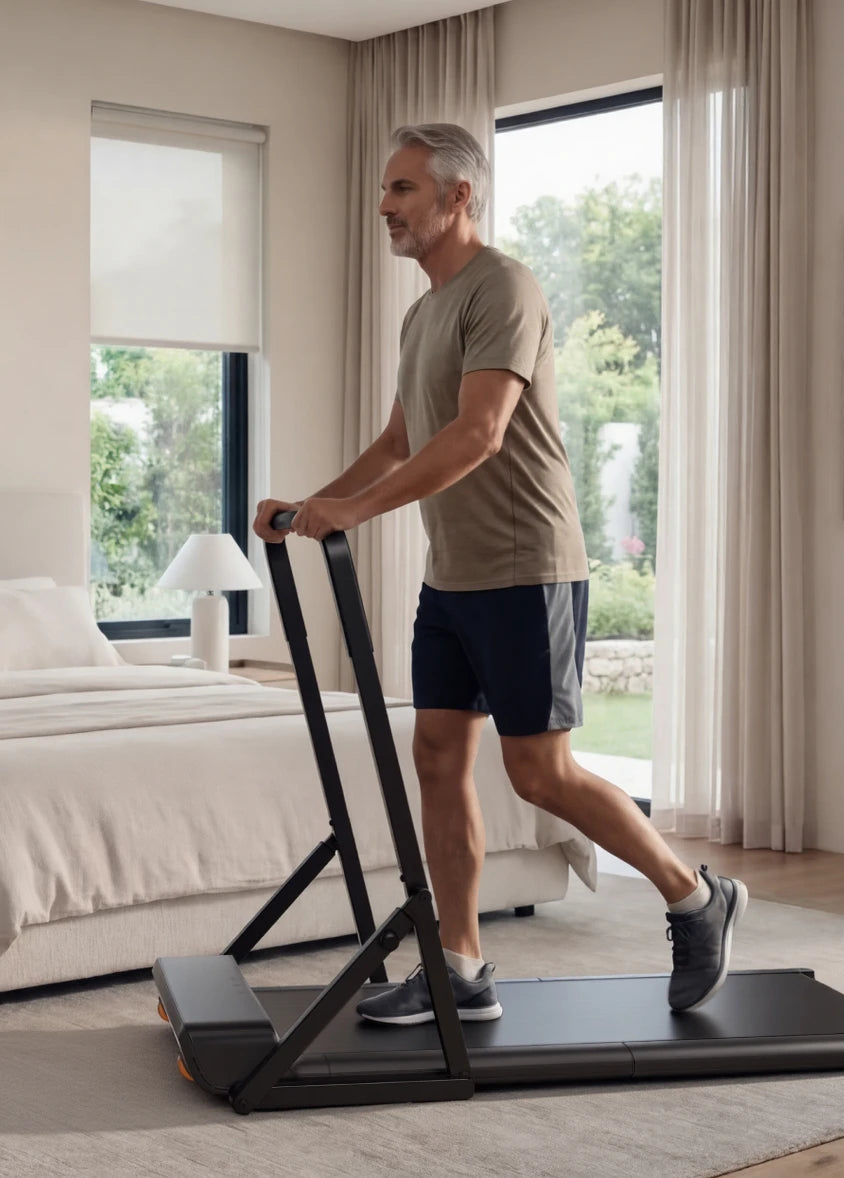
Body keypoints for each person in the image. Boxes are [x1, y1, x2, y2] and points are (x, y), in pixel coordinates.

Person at [253, 122, 747, 1024]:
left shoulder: (503, 288)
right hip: (453, 576)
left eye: (403, 190)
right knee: (437, 755)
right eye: (386, 190)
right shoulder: (420, 312)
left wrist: (355, 515)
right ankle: (462, 966)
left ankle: (693, 897)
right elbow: (402, 439)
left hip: (528, 567)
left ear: (457, 197)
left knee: (538, 772)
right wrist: (309, 505)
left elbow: (477, 435)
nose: (384, 207)